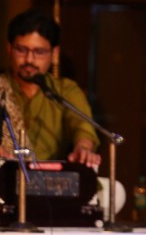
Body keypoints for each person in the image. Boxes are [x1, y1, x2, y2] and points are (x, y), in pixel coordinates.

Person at [2, 9, 102, 168]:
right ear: (9, 49)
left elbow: (82, 127)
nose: (29, 59)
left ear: (54, 53)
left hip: (51, 182)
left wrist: (83, 148)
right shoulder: (2, 87)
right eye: (21, 50)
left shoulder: (64, 90)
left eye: (39, 52)